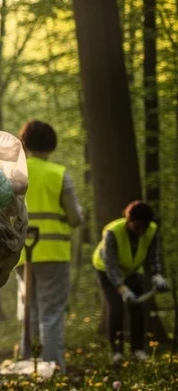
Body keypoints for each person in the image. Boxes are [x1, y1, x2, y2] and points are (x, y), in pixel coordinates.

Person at [15, 120, 83, 368]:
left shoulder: (15, 174)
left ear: (25, 143)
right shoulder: (59, 174)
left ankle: (28, 365)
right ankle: (52, 369)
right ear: (51, 145)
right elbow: (75, 217)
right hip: (54, 254)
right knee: (51, 315)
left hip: (23, 255)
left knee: (29, 313)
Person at [94, 200, 171, 362]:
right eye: (137, 227)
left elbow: (153, 257)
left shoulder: (152, 231)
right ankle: (117, 352)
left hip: (132, 270)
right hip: (106, 271)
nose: (141, 231)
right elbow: (111, 265)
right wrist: (122, 289)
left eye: (144, 227)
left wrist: (157, 274)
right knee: (116, 307)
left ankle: (138, 349)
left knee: (137, 306)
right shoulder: (112, 232)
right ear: (129, 220)